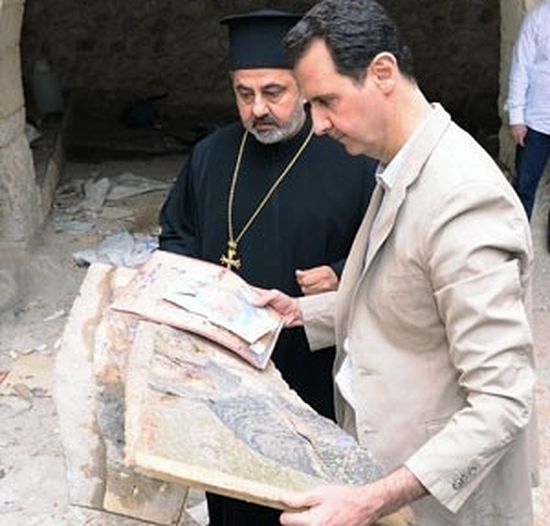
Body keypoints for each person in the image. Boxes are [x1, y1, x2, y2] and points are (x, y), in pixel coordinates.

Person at [256, 1, 538, 525]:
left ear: (382, 73)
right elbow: (406, 299)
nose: (317, 125)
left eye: (327, 101)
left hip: (442, 508)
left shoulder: (463, 198)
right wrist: (299, 313)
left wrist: (370, 500)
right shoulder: (401, 163)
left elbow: (502, 401)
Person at [158, 9, 377, 526]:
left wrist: (340, 271)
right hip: (226, 369)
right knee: (233, 493)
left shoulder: (350, 158)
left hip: (313, 369)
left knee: (309, 500)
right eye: (244, 94)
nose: (258, 109)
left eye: (273, 92)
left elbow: (389, 251)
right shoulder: (210, 156)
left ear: (304, 88)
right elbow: (176, 234)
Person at [506, 1, 550, 237]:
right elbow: (520, 67)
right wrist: (516, 116)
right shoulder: (538, 18)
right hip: (536, 121)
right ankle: (517, 242)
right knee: (524, 186)